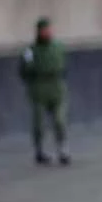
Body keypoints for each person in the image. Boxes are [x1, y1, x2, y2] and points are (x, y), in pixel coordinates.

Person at [19, 17, 69, 166]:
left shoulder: (58, 47)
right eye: (44, 30)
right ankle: (39, 150)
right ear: (39, 32)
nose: (47, 32)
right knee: (39, 123)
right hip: (39, 89)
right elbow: (24, 71)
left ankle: (63, 149)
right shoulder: (30, 51)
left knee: (60, 120)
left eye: (49, 29)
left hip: (56, 88)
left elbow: (64, 65)